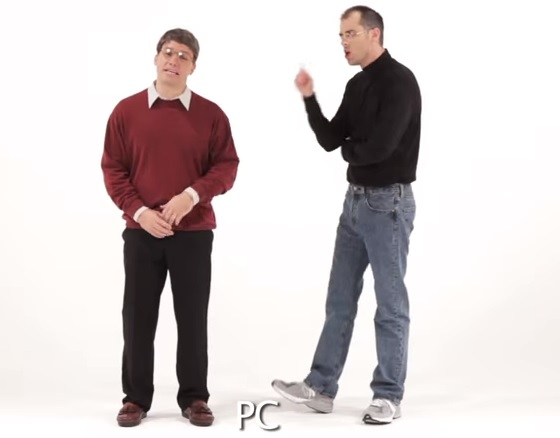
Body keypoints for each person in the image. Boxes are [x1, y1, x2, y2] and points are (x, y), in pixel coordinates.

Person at [271, 6, 421, 425]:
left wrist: (350, 150)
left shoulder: (400, 81)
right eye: (341, 35)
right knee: (339, 299)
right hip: (354, 203)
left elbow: (380, 149)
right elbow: (330, 139)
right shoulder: (358, 84)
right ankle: (321, 388)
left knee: (390, 305)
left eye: (350, 34)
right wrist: (309, 98)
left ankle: (388, 396)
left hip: (388, 204)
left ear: (374, 34)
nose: (343, 42)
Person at [101, 28, 239, 428]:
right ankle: (135, 398)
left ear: (193, 66)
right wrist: (140, 211)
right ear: (156, 57)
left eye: (183, 56)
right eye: (168, 52)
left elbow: (226, 167)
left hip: (193, 234)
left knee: (192, 317)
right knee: (137, 317)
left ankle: (194, 397)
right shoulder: (126, 112)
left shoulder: (211, 115)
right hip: (141, 233)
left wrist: (191, 196)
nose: (173, 60)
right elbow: (113, 168)